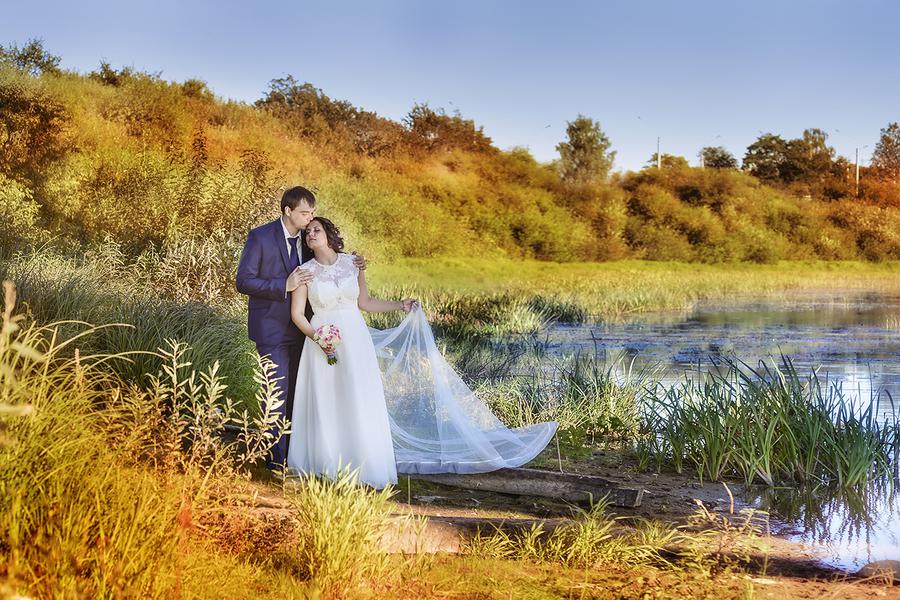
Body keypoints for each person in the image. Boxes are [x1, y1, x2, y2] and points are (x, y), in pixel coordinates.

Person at [287, 216, 558, 488]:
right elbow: (298, 314)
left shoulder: (352, 264)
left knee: (358, 397)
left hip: (356, 339)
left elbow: (366, 303)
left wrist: (399, 305)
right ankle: (326, 463)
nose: (311, 234)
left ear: (329, 234)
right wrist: (317, 338)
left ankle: (362, 462)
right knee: (327, 398)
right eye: (308, 231)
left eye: (316, 229)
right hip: (322, 341)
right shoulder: (305, 272)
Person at [235, 187, 364, 469]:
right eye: (305, 213)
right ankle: (274, 463)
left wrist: (357, 263)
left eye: (312, 213)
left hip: (306, 330)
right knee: (276, 394)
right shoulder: (260, 237)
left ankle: (296, 458)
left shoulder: (309, 238)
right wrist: (284, 285)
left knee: (300, 395)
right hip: (271, 330)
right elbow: (243, 281)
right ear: (287, 211)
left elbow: (329, 261)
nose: (310, 218)